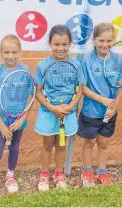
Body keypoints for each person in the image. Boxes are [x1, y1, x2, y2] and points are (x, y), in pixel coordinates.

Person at [34, 25, 85, 191]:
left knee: (61, 146)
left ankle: (58, 173)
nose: (61, 48)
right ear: (50, 43)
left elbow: (80, 89)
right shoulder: (43, 65)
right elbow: (38, 92)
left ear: (70, 44)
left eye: (65, 44)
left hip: (68, 112)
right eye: (56, 44)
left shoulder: (76, 65)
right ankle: (44, 174)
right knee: (48, 144)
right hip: (49, 113)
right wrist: (52, 108)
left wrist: (71, 106)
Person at [0, 34, 32, 197]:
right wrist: (2, 125)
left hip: (19, 121)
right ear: (0, 52)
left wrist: (23, 118)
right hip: (0, 123)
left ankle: (10, 176)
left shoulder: (25, 71)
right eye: (6, 52)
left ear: (20, 52)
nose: (10, 56)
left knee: (14, 148)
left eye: (14, 52)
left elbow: (30, 96)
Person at [77, 23, 122, 187]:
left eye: (109, 41)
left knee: (103, 143)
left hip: (109, 113)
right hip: (91, 112)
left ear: (114, 41)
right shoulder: (86, 61)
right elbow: (83, 88)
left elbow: (120, 87)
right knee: (89, 142)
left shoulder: (118, 61)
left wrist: (115, 106)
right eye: (101, 40)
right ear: (94, 40)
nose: (105, 44)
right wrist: (101, 99)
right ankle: (87, 171)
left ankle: (102, 172)